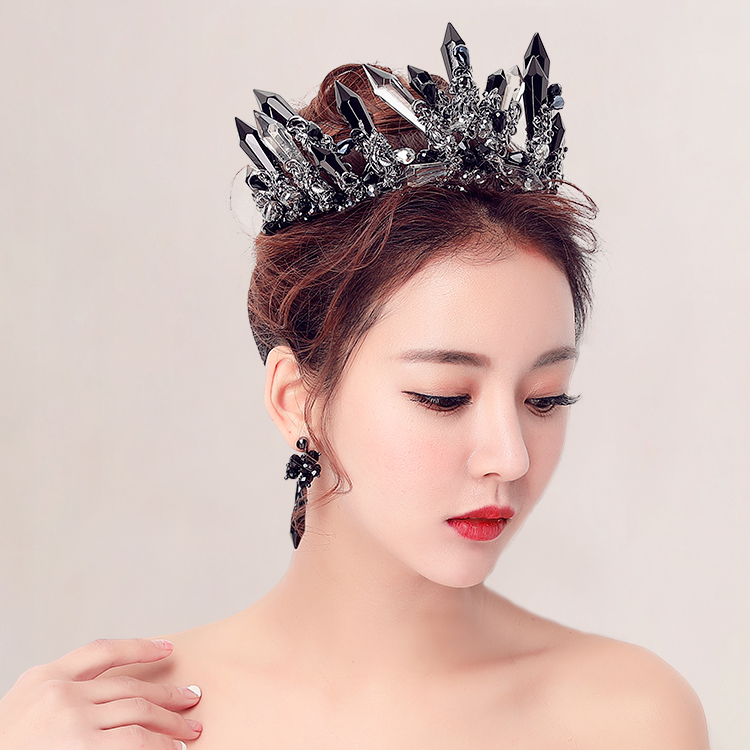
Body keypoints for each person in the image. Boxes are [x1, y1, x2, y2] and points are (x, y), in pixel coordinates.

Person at [0, 25, 710, 750]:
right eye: (444, 396)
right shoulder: (118, 724)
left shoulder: (629, 717)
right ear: (296, 400)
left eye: (545, 399)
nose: (511, 456)